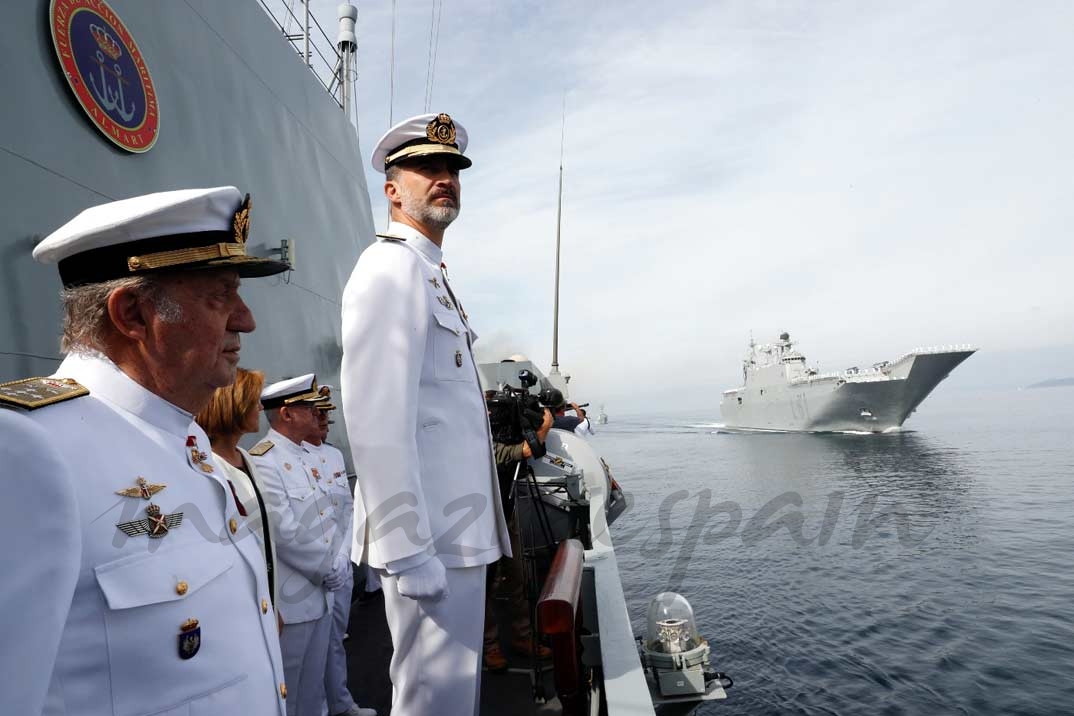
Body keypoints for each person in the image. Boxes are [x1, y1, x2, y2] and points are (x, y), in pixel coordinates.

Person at [0, 186, 291, 714]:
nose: (246, 319)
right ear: (133, 314)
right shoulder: (26, 452)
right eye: (221, 295)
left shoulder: (187, 437)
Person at [340, 112, 510, 716]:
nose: (444, 177)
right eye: (426, 168)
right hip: (429, 536)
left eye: (452, 169)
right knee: (432, 697)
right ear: (392, 190)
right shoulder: (390, 268)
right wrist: (407, 548)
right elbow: (376, 418)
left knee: (452, 695)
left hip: (455, 531)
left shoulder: (431, 274)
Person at [249, 374, 349, 716]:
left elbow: (339, 514)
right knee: (288, 690)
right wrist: (327, 567)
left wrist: (339, 560)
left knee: (312, 687)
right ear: (287, 414)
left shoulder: (313, 456)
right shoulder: (263, 459)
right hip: (293, 597)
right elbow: (283, 530)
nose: (316, 414)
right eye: (308, 408)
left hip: (323, 590)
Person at [303, 387, 377, 716]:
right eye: (317, 413)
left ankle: (341, 703)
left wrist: (343, 557)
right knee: (306, 655)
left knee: (334, 643)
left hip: (339, 570)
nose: (324, 421)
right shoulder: (277, 460)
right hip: (308, 576)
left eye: (327, 415)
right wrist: (324, 564)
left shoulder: (333, 456)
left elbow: (346, 511)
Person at [194, 366, 280, 621]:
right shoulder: (207, 467)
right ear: (233, 405)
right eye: (254, 401)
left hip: (267, 601)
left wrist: (273, 604)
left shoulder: (245, 458)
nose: (261, 408)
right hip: (239, 612)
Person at [484, 403, 555, 671]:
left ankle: (523, 637)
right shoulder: (479, 440)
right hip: (480, 518)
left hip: (506, 510)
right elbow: (527, 450)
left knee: (518, 576)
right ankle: (490, 646)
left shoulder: (497, 435)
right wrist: (545, 426)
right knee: (486, 584)